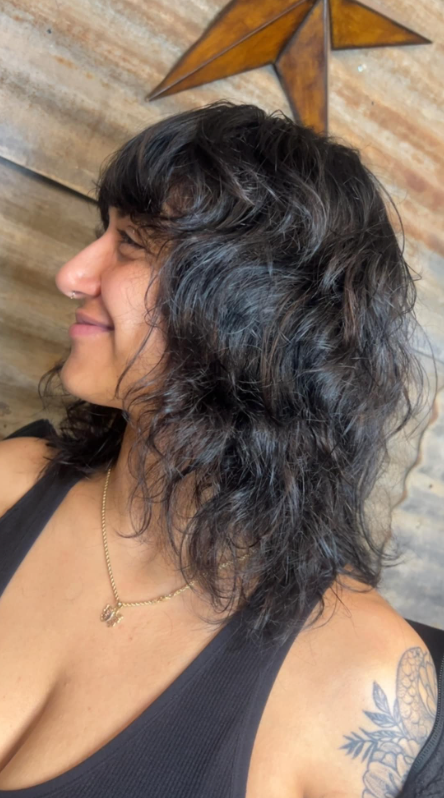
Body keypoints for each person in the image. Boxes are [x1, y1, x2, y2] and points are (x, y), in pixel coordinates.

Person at [0, 100, 442, 797]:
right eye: (102, 232)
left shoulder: (361, 678)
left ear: (256, 309)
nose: (72, 275)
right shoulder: (11, 483)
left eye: (134, 243)